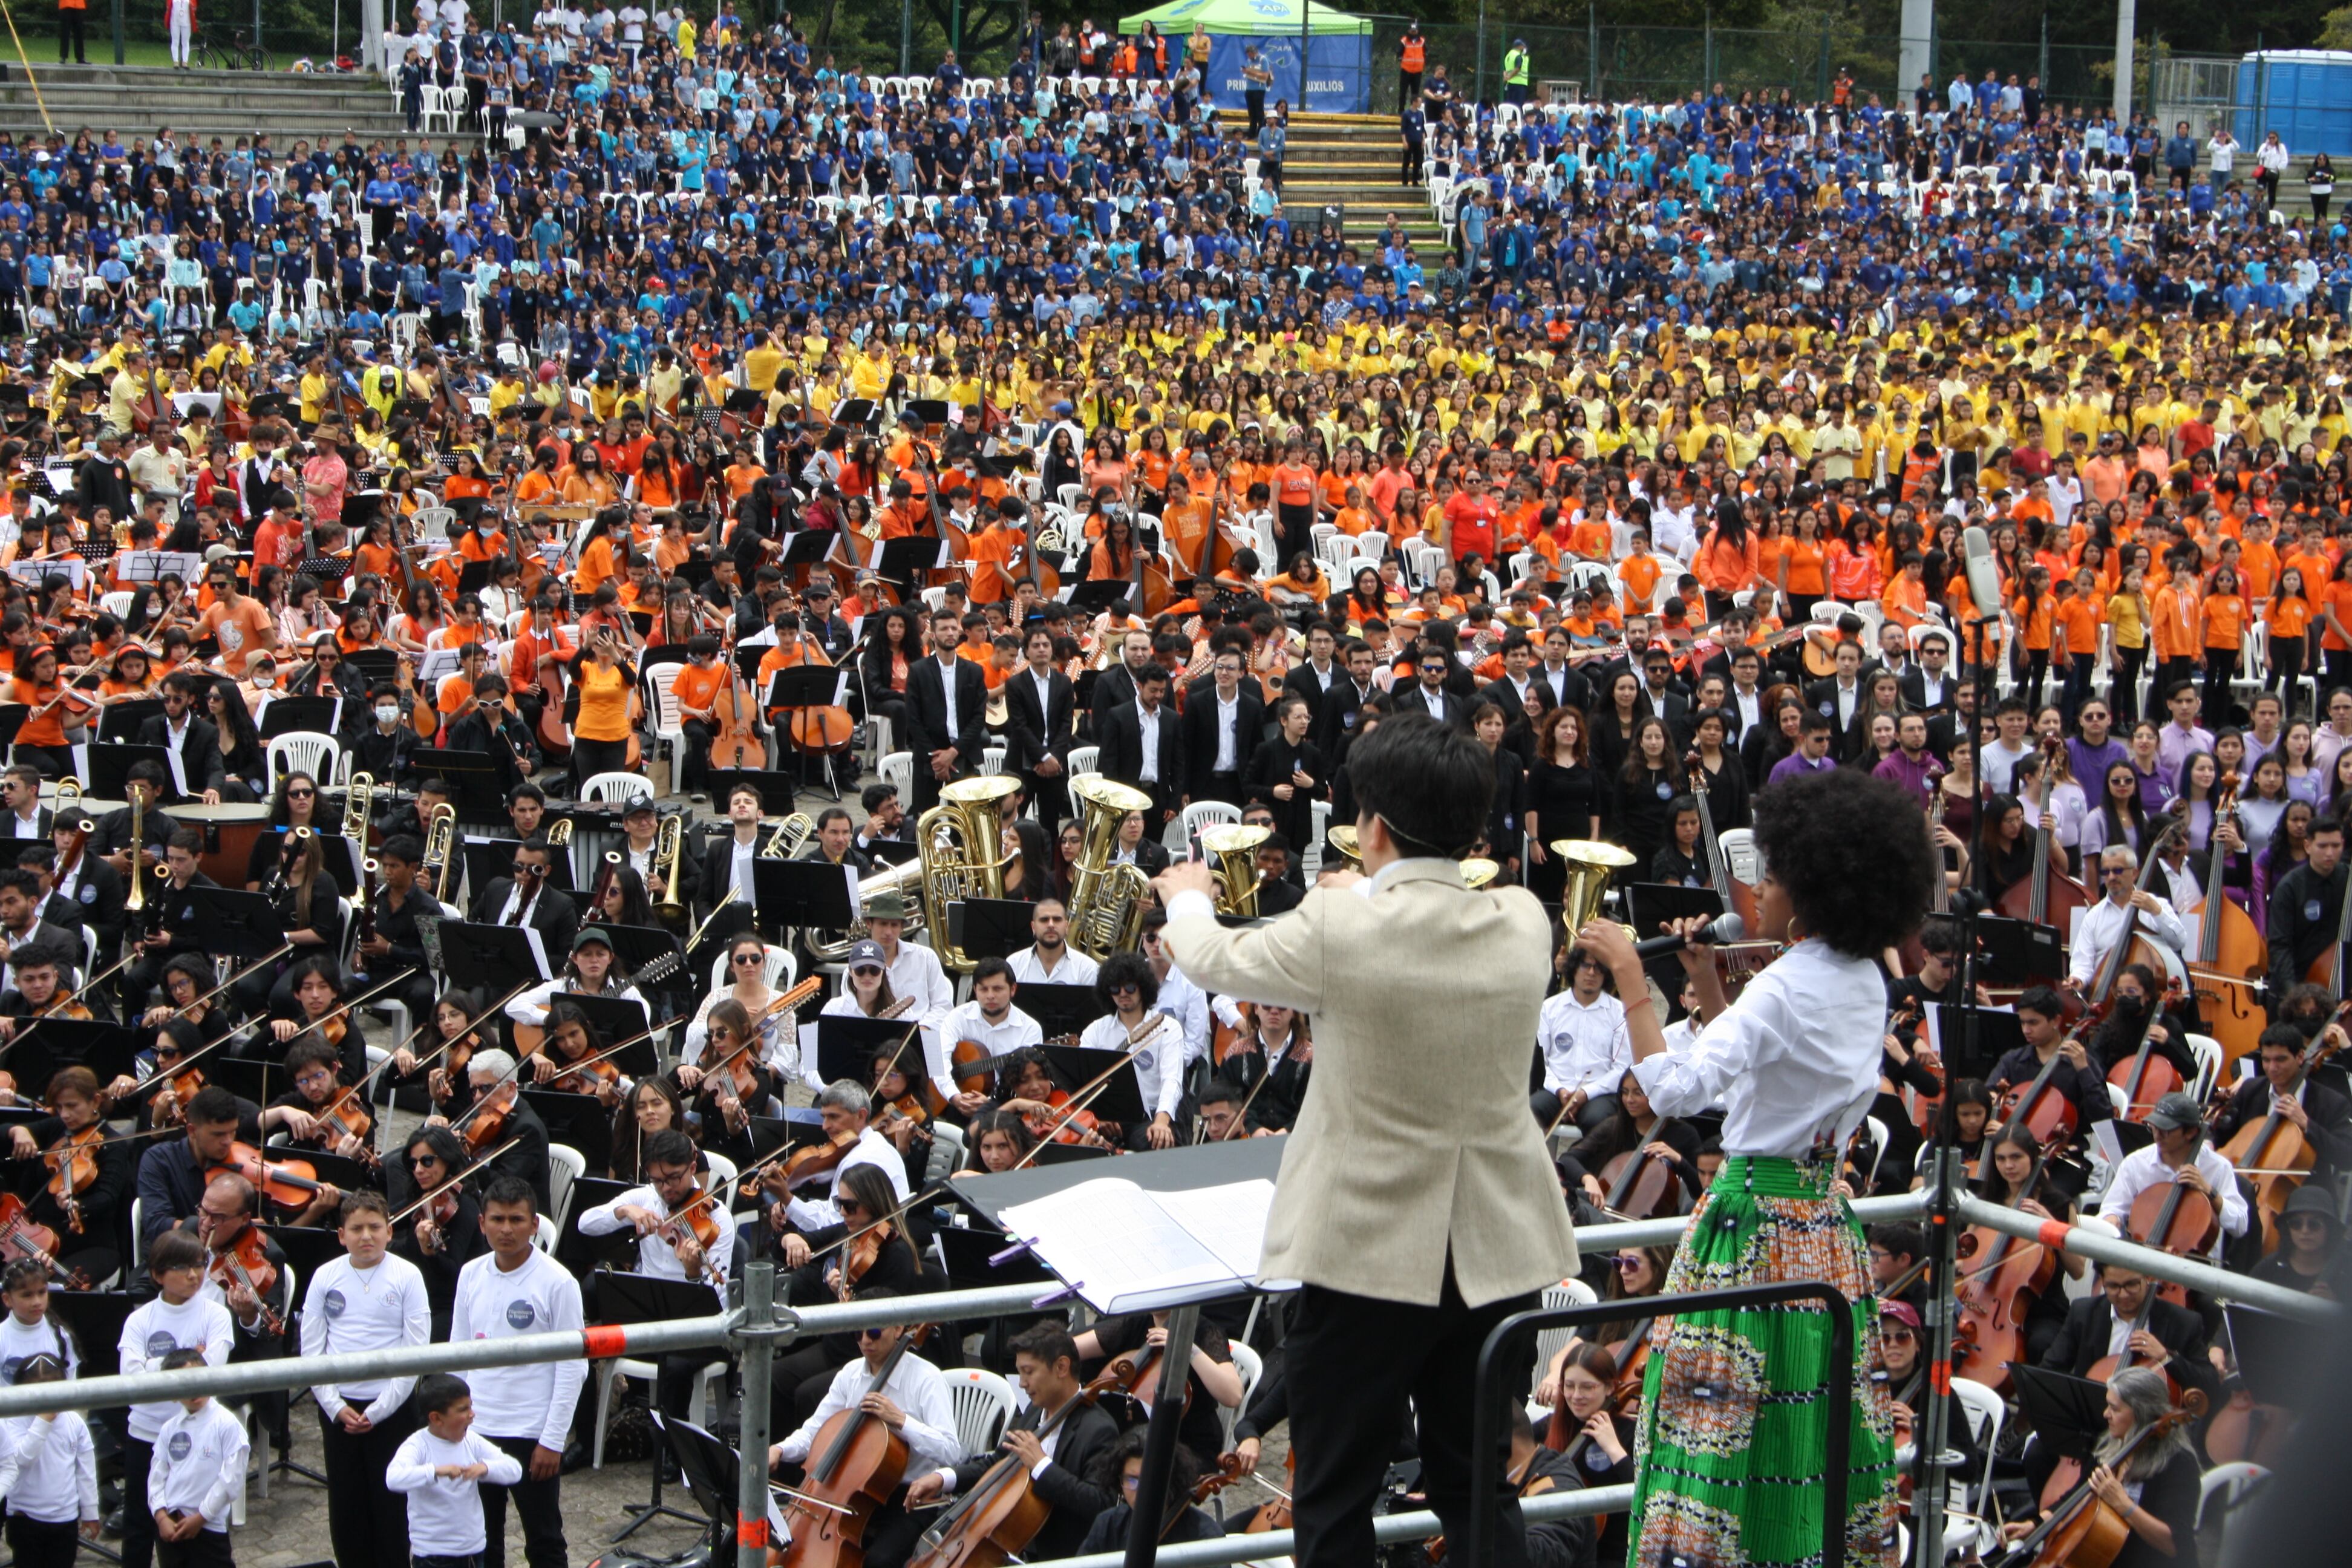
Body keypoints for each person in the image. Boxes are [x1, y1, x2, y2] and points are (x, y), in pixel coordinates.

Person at [1150, 713, 1578, 1568]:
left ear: (1372, 827)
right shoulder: (1526, 920)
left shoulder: (1339, 924)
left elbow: (1205, 955)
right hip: (1493, 1255)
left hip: (1360, 1255)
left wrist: (1186, 894)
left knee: (1335, 1493)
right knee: (1479, 1487)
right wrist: (1359, 896)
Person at [1578, 768, 1933, 1568]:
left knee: (1717, 1430)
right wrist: (1704, 981)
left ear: (1805, 888)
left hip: (1751, 1228)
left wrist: (1636, 980)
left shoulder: (1785, 985)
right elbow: (1776, 1061)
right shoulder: (1864, 980)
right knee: (1801, 1426)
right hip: (1822, 1231)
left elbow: (1674, 1086)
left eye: (1769, 875)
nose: (1756, 890)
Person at [446, 1177, 586, 1568]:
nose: (506, 1229)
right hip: (479, 1431)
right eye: (497, 1220)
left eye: (516, 1220)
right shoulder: (470, 1274)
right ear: (482, 1224)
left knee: (543, 1540)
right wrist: (459, 1428)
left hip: (531, 1434)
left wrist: (553, 1440)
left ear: (534, 1224)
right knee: (482, 1539)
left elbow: (572, 1366)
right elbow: (459, 1356)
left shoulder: (559, 1283)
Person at [767, 1293, 959, 1568]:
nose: (865, 1341)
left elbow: (952, 1452)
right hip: (850, 1491)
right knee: (783, 1539)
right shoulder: (850, 1374)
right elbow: (815, 1431)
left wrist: (902, 1421)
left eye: (875, 1332)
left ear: (899, 1329)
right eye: (858, 1333)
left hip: (910, 1497)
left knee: (878, 1562)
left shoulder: (927, 1379)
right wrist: (779, 1449)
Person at [903, 1322, 1120, 1558]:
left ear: (1061, 1367)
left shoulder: (1099, 1429)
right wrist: (943, 1477)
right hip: (1015, 1546)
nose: (1022, 1383)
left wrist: (1042, 1466)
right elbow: (998, 1462)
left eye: (1029, 1372)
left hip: (1061, 1556)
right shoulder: (1035, 1412)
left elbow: (1100, 1504)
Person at [299, 1192, 433, 1568]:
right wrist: (335, 1406)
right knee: (346, 1499)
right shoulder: (326, 1276)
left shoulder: (408, 1275)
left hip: (392, 1404)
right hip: (339, 1406)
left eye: (375, 1228)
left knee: (390, 1496)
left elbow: (414, 1351)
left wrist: (381, 1408)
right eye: (356, 1229)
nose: (366, 1237)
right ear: (342, 1235)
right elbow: (312, 1349)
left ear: (390, 1231)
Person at [2000, 1368, 2201, 1568]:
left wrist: (2123, 1504)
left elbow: (2175, 1545)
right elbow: (2075, 1498)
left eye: (2115, 1409)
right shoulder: (2111, 1444)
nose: (2106, 1414)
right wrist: (2034, 1524)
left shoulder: (2179, 1464)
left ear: (2141, 1413)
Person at [117, 1235, 235, 1568]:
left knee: (202, 1524)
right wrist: (179, 1360)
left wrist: (154, 1367)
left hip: (198, 1434)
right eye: (182, 1268)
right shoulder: (140, 1320)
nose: (194, 1275)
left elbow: (209, 1372)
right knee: (139, 1525)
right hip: (148, 1432)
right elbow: (132, 1381)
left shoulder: (215, 1314)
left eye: (199, 1265)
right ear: (158, 1274)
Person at [383, 1374, 527, 1568]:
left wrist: (486, 1468)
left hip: (473, 1550)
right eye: (463, 1410)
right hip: (433, 1555)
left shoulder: (472, 1441)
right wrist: (435, 1472)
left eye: (471, 1406)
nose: (472, 1414)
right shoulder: (418, 1445)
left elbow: (515, 1469)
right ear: (436, 1418)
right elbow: (393, 1479)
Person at [146, 1347, 247, 1568]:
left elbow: (231, 1480)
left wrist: (201, 1517)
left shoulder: (226, 1424)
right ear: (172, 1395)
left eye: (197, 1379)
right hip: (172, 1528)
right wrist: (161, 1516)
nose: (193, 1389)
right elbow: (157, 1476)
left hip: (208, 1528)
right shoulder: (169, 1429)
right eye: (184, 1384)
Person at [0, 1349, 100, 1567]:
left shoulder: (74, 1422)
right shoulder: (13, 1420)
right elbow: (22, 1460)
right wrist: (43, 1420)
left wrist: (91, 1511)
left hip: (65, 1518)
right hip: (25, 1517)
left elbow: (86, 1471)